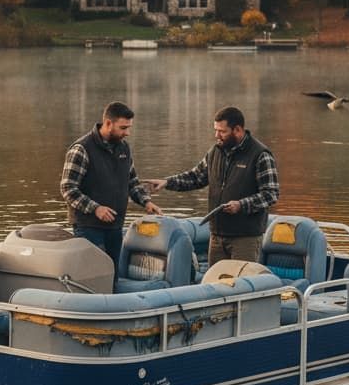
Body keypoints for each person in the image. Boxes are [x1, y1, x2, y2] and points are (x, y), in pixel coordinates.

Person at [146, 106, 279, 265]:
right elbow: (196, 177)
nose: (217, 135)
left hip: (245, 238)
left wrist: (241, 205)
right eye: (215, 130)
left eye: (222, 131)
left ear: (237, 130)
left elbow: (271, 194)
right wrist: (167, 182)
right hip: (217, 235)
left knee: (241, 283)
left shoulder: (260, 155)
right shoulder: (215, 151)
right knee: (214, 284)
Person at [60, 102, 160, 275]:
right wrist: (95, 208)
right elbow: (68, 188)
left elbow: (132, 181)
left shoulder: (124, 148)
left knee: (112, 275)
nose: (127, 133)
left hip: (115, 226)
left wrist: (146, 202)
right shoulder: (82, 149)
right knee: (92, 275)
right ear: (108, 123)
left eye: (129, 128)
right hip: (88, 228)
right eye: (123, 128)